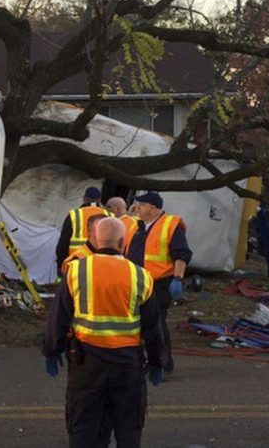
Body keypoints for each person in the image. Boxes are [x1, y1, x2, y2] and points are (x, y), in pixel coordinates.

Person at [43, 217, 166, 448]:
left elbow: (58, 317)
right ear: (123, 243)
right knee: (128, 428)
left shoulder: (76, 271)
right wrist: (158, 360)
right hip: (127, 364)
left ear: (96, 241)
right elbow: (153, 325)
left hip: (87, 362)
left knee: (84, 427)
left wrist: (51, 349)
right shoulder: (140, 276)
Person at [125, 191, 191, 375]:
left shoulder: (170, 225)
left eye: (142, 205)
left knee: (156, 323)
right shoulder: (137, 226)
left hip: (159, 283)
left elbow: (182, 254)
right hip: (137, 283)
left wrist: (178, 278)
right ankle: (143, 362)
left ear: (153, 208)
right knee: (138, 325)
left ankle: (162, 364)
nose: (138, 208)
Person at [55, 186, 111, 270]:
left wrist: (61, 263)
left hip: (74, 264)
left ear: (84, 199)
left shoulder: (74, 215)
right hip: (100, 266)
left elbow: (63, 243)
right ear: (99, 200)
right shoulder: (110, 216)